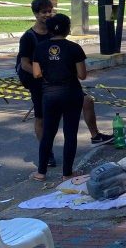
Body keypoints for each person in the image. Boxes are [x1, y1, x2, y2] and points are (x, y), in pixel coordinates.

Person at [16, 0, 111, 168]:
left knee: (87, 101)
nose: (47, 14)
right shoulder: (28, 38)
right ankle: (48, 154)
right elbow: (25, 64)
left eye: (49, 11)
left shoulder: (55, 34)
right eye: (43, 12)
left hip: (64, 85)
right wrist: (43, 76)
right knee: (41, 118)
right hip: (40, 84)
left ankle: (95, 135)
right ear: (36, 14)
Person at [31, 14, 87, 181]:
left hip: (49, 94)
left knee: (48, 132)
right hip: (71, 93)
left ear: (48, 29)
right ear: (68, 29)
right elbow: (82, 75)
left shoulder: (40, 48)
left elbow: (36, 73)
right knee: (70, 133)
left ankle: (41, 172)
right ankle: (67, 173)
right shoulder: (75, 48)